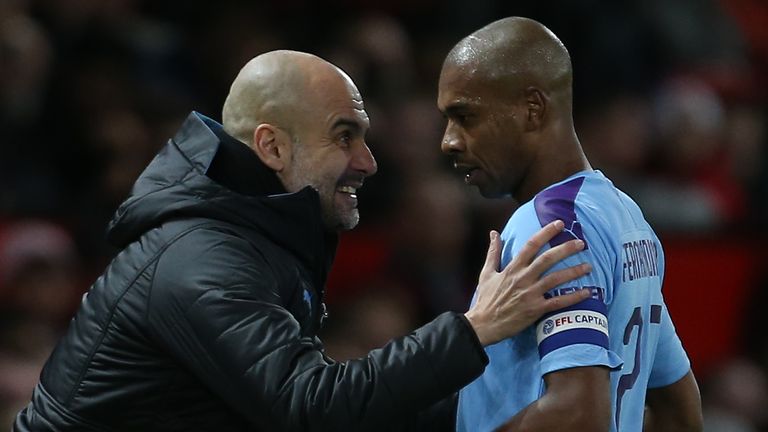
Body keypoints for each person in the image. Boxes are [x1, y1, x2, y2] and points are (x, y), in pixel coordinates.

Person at [13, 50, 592, 431]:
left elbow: (354, 406)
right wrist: (475, 328)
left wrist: (502, 403)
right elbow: (314, 409)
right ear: (272, 148)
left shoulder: (251, 241)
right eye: (345, 137)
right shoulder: (198, 259)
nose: (368, 162)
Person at [437, 17, 703, 432]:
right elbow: (680, 406)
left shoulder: (547, 227)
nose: (448, 140)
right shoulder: (627, 218)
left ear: (533, 108)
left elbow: (577, 413)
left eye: (465, 116)